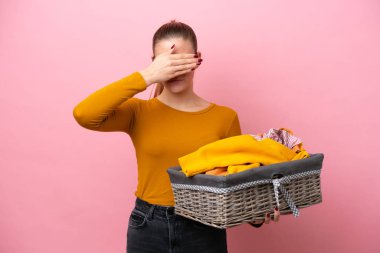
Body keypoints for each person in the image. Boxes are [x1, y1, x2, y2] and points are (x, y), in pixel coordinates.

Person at [73, 19, 279, 253]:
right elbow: (84, 114)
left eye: (181, 60)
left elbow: (233, 182)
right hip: (148, 226)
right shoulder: (138, 112)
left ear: (197, 58)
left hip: (205, 227)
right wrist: (147, 76)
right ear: (155, 63)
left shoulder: (225, 117)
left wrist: (256, 215)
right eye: (167, 63)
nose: (175, 70)